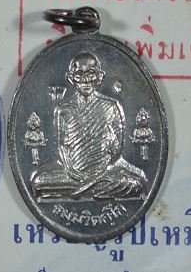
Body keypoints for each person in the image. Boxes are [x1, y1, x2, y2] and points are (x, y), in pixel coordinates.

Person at [31, 51, 146, 201]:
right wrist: (70, 169)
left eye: (91, 73)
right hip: (72, 174)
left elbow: (116, 152)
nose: (85, 80)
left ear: (99, 77)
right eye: (79, 74)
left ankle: (87, 189)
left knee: (135, 184)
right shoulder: (63, 110)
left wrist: (108, 155)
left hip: (103, 172)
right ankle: (93, 189)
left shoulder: (111, 107)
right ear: (71, 78)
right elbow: (61, 147)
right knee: (38, 182)